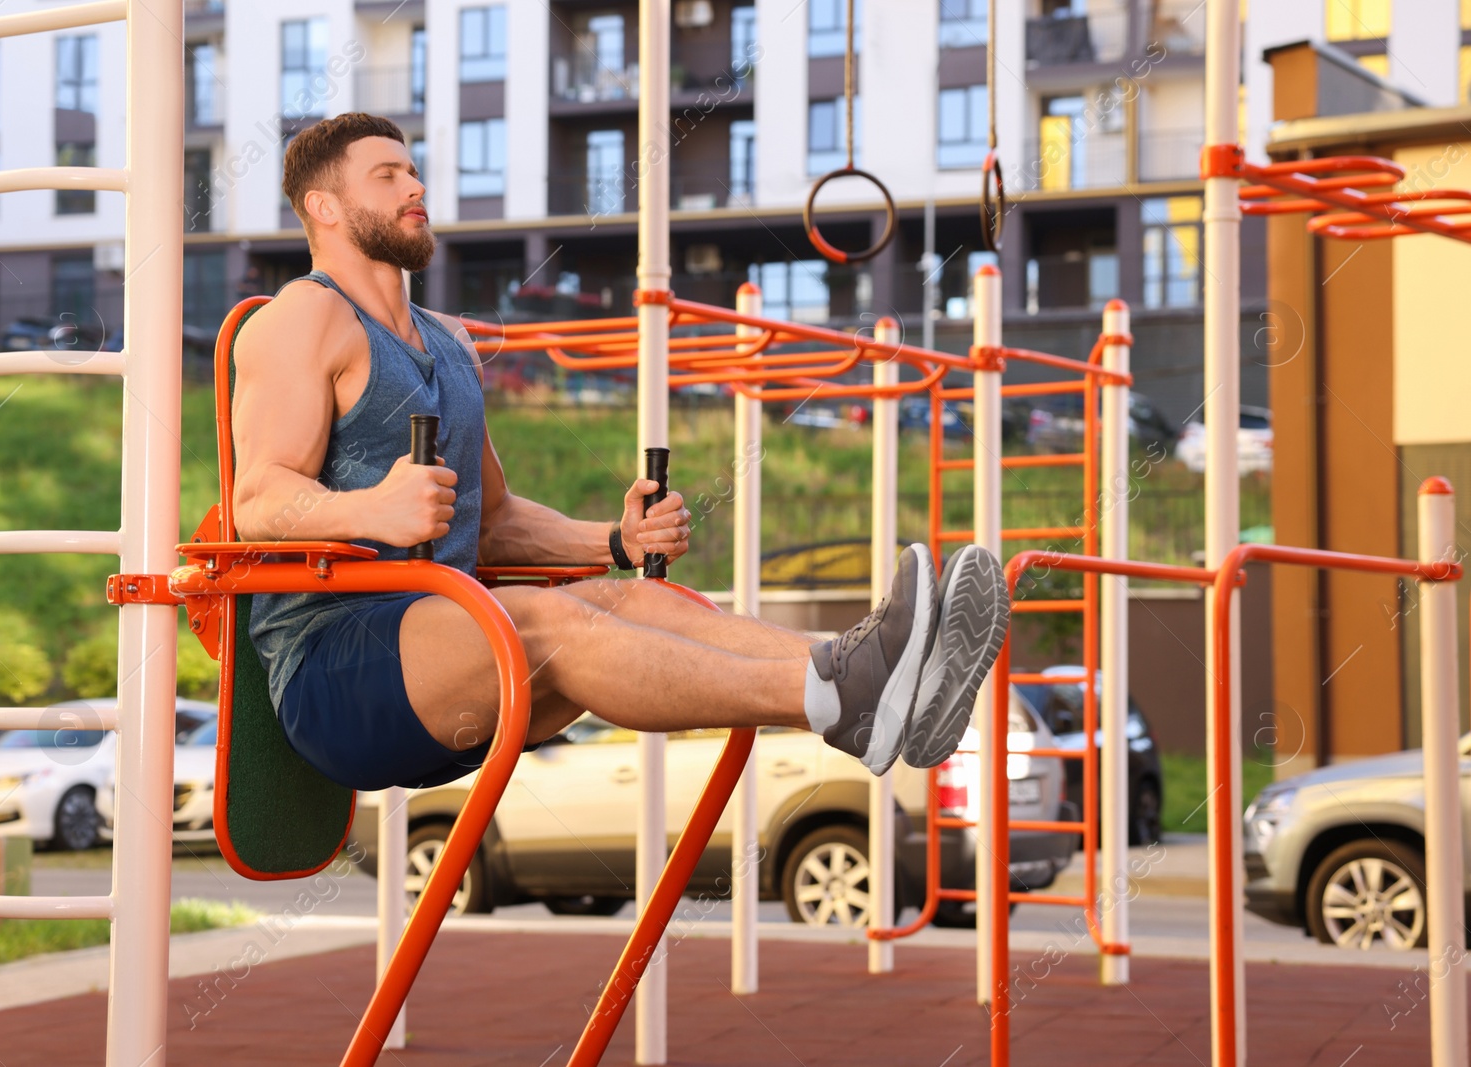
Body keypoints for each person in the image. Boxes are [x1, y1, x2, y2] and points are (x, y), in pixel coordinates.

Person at [231, 112, 1011, 793]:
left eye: (413, 168)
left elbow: (492, 519)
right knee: (543, 617)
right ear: (323, 207)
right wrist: (369, 508)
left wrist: (614, 540)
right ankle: (846, 695)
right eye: (387, 174)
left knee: (635, 595)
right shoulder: (303, 318)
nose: (414, 184)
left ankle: (862, 673)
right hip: (337, 670)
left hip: (451, 644)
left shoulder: (449, 340)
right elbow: (258, 498)